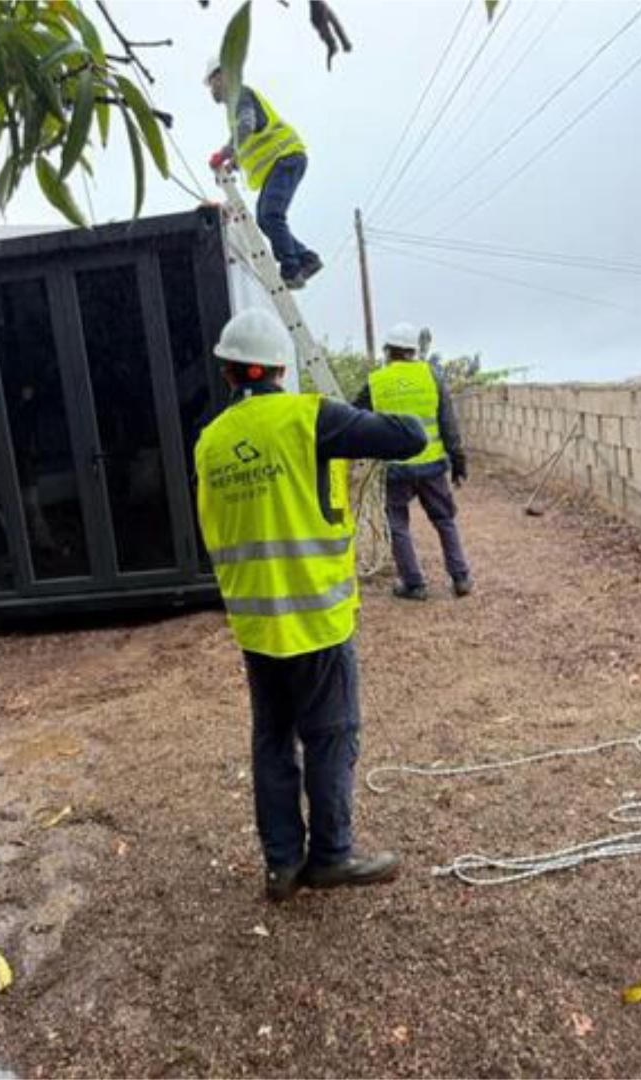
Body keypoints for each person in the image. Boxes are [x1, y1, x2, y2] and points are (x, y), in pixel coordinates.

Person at [195, 308, 427, 901]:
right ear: (281, 368)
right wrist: (351, 410)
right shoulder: (310, 418)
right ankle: (331, 857)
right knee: (331, 733)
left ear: (228, 374)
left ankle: (281, 865)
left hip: (254, 619)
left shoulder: (210, 442)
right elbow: (410, 436)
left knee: (272, 738)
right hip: (316, 616)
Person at [354, 322, 473, 601]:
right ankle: (460, 577)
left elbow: (355, 418)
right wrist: (458, 460)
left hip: (395, 469)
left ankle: (414, 584)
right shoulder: (432, 376)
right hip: (432, 466)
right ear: (413, 351)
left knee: (397, 526)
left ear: (388, 350)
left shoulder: (376, 381)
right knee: (444, 520)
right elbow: (448, 423)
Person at [204, 57, 321, 290]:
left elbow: (247, 126)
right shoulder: (235, 106)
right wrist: (234, 163)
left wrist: (224, 153)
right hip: (282, 161)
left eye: (211, 83)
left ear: (222, 76)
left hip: (286, 157)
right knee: (265, 219)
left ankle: (291, 269)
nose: (211, 89)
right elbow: (249, 140)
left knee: (271, 215)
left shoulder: (240, 95)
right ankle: (306, 259)